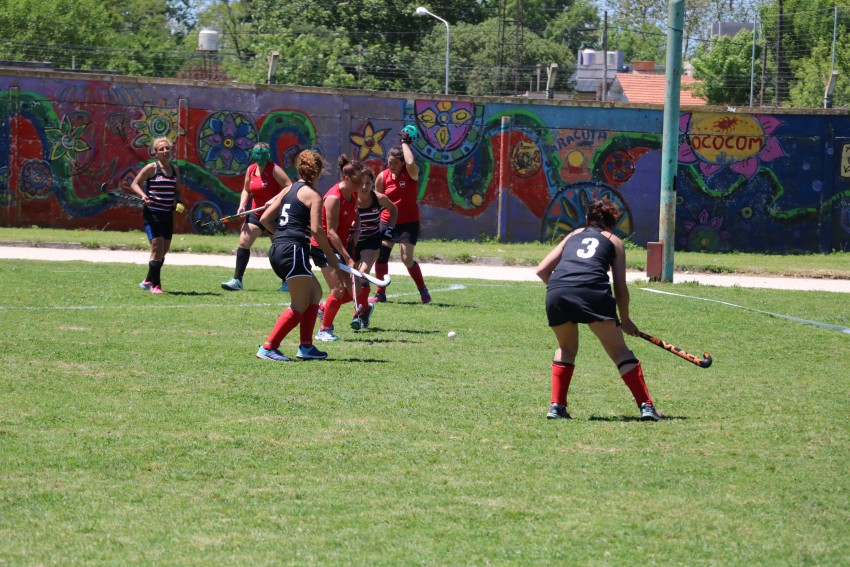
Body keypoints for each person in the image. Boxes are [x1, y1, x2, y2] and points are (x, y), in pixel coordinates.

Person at [535, 199, 662, 421]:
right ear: (613, 223)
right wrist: (626, 319)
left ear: (587, 219)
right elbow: (620, 288)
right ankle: (646, 407)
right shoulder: (614, 241)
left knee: (566, 348)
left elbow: (542, 270)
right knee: (620, 352)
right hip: (594, 293)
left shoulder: (573, 235)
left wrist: (563, 288)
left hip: (558, 292)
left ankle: (557, 407)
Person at [255, 149, 338, 362]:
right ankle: (268, 347)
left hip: (278, 249)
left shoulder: (289, 188)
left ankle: (306, 347)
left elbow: (264, 218)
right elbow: (318, 231)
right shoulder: (314, 195)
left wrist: (282, 235)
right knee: (299, 305)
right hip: (293, 250)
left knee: (315, 293)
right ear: (318, 172)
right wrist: (332, 257)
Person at [221, 142, 292, 292]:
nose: (260, 157)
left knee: (278, 249)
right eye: (257, 154)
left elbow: (289, 186)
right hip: (256, 212)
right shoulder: (251, 170)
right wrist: (242, 205)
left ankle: (287, 281)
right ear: (253, 155)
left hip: (273, 214)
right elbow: (246, 190)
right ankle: (237, 281)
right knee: (244, 242)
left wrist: (274, 200)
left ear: (268, 155)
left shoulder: (274, 169)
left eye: (263, 154)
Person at [370, 129, 430, 304]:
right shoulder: (383, 177)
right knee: (381, 255)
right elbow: (378, 200)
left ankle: (423, 290)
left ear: (402, 162)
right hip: (388, 221)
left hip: (409, 222)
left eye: (395, 162)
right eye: (389, 162)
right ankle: (380, 293)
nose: (391, 165)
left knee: (406, 258)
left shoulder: (410, 173)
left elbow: (411, 162)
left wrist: (405, 142)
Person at [312, 155, 366, 342]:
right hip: (324, 247)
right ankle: (324, 330)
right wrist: (348, 257)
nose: (361, 187)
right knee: (337, 289)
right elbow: (331, 233)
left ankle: (323, 309)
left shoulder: (354, 193)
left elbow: (356, 213)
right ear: (347, 179)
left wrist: (357, 228)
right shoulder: (333, 198)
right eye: (357, 183)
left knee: (355, 292)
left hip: (340, 246)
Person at [131, 136, 184, 294]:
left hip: (168, 214)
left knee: (164, 251)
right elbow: (135, 183)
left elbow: (177, 190)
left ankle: (148, 280)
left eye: (167, 148)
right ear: (155, 153)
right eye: (161, 149)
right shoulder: (151, 168)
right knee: (157, 248)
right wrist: (143, 196)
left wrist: (179, 202)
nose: (165, 151)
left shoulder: (174, 170)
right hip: (153, 213)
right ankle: (156, 286)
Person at [349, 168, 397, 329]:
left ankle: (357, 315)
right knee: (353, 280)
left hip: (372, 241)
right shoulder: (351, 200)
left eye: (368, 183)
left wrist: (390, 229)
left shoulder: (379, 198)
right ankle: (366, 309)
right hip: (354, 242)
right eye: (361, 184)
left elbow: (394, 209)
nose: (364, 187)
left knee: (362, 274)